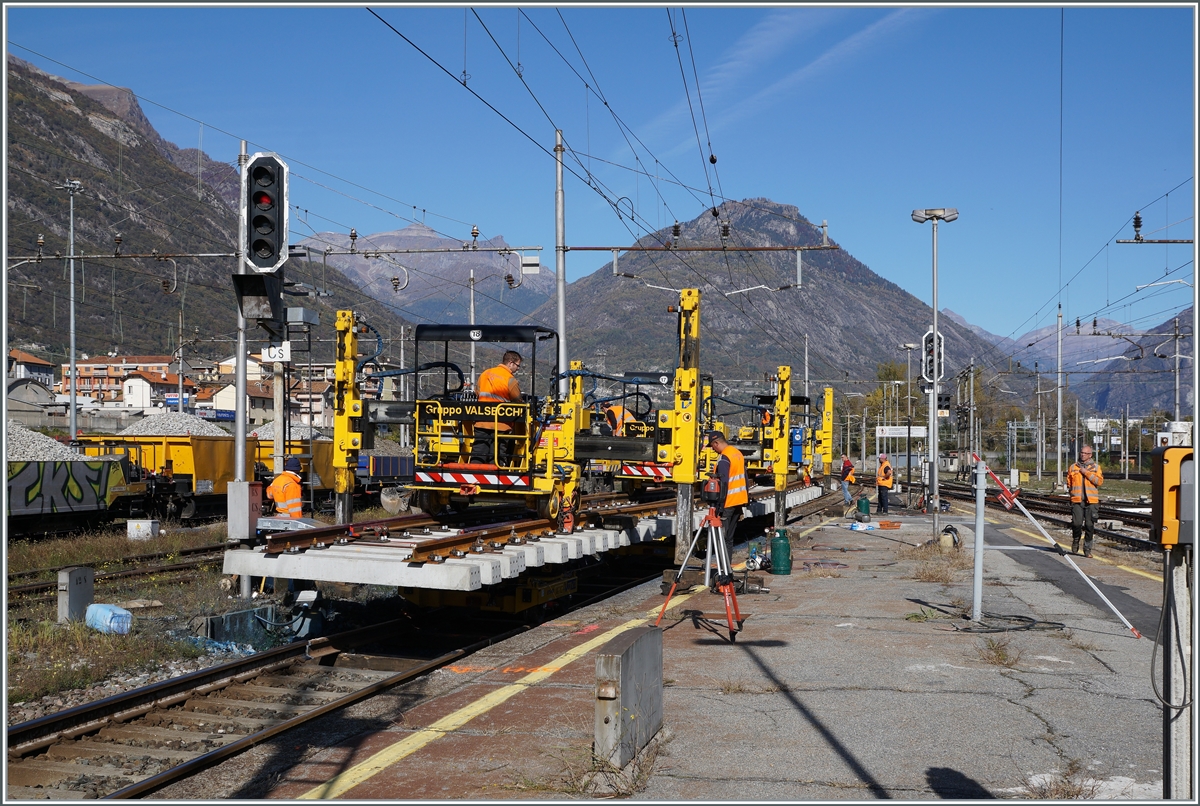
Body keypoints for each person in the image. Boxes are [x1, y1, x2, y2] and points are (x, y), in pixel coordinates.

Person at [471, 351, 523, 464]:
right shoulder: (510, 379)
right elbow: (518, 401)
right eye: (517, 365)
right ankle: (494, 479)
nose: (518, 369)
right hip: (501, 424)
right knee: (497, 457)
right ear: (510, 363)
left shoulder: (485, 373)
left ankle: (473, 479)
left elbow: (477, 392)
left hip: (482, 421)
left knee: (478, 454)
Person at [706, 431, 748, 564]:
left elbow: (722, 483)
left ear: (716, 443)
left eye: (713, 446)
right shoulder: (737, 453)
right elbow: (745, 479)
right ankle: (727, 567)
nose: (713, 449)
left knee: (721, 538)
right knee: (729, 538)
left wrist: (719, 506)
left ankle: (723, 569)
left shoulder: (724, 458)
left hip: (727, 503)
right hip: (739, 501)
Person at [1067, 444, 1104, 557]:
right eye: (1081, 453)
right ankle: (1076, 540)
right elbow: (1069, 483)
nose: (1082, 455)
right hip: (1077, 501)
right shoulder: (1073, 467)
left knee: (1089, 525)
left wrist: (1086, 473)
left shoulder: (1096, 468)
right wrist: (1072, 494)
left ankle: (1087, 549)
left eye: (1085, 453)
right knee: (1076, 523)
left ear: (1090, 455)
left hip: (1091, 501)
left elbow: (1099, 482)